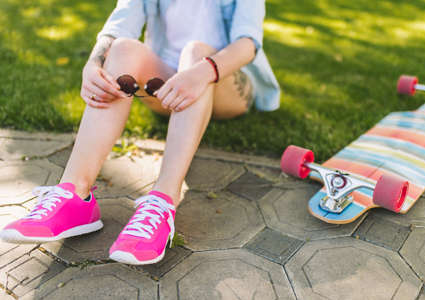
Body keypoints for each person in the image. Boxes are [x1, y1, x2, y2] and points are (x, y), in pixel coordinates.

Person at [0, 0, 279, 265]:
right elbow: (121, 23)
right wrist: (94, 64)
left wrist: (200, 71)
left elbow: (247, 44)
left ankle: (163, 202)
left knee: (196, 52)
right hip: (168, 85)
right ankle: (75, 196)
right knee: (122, 48)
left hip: (223, 81)